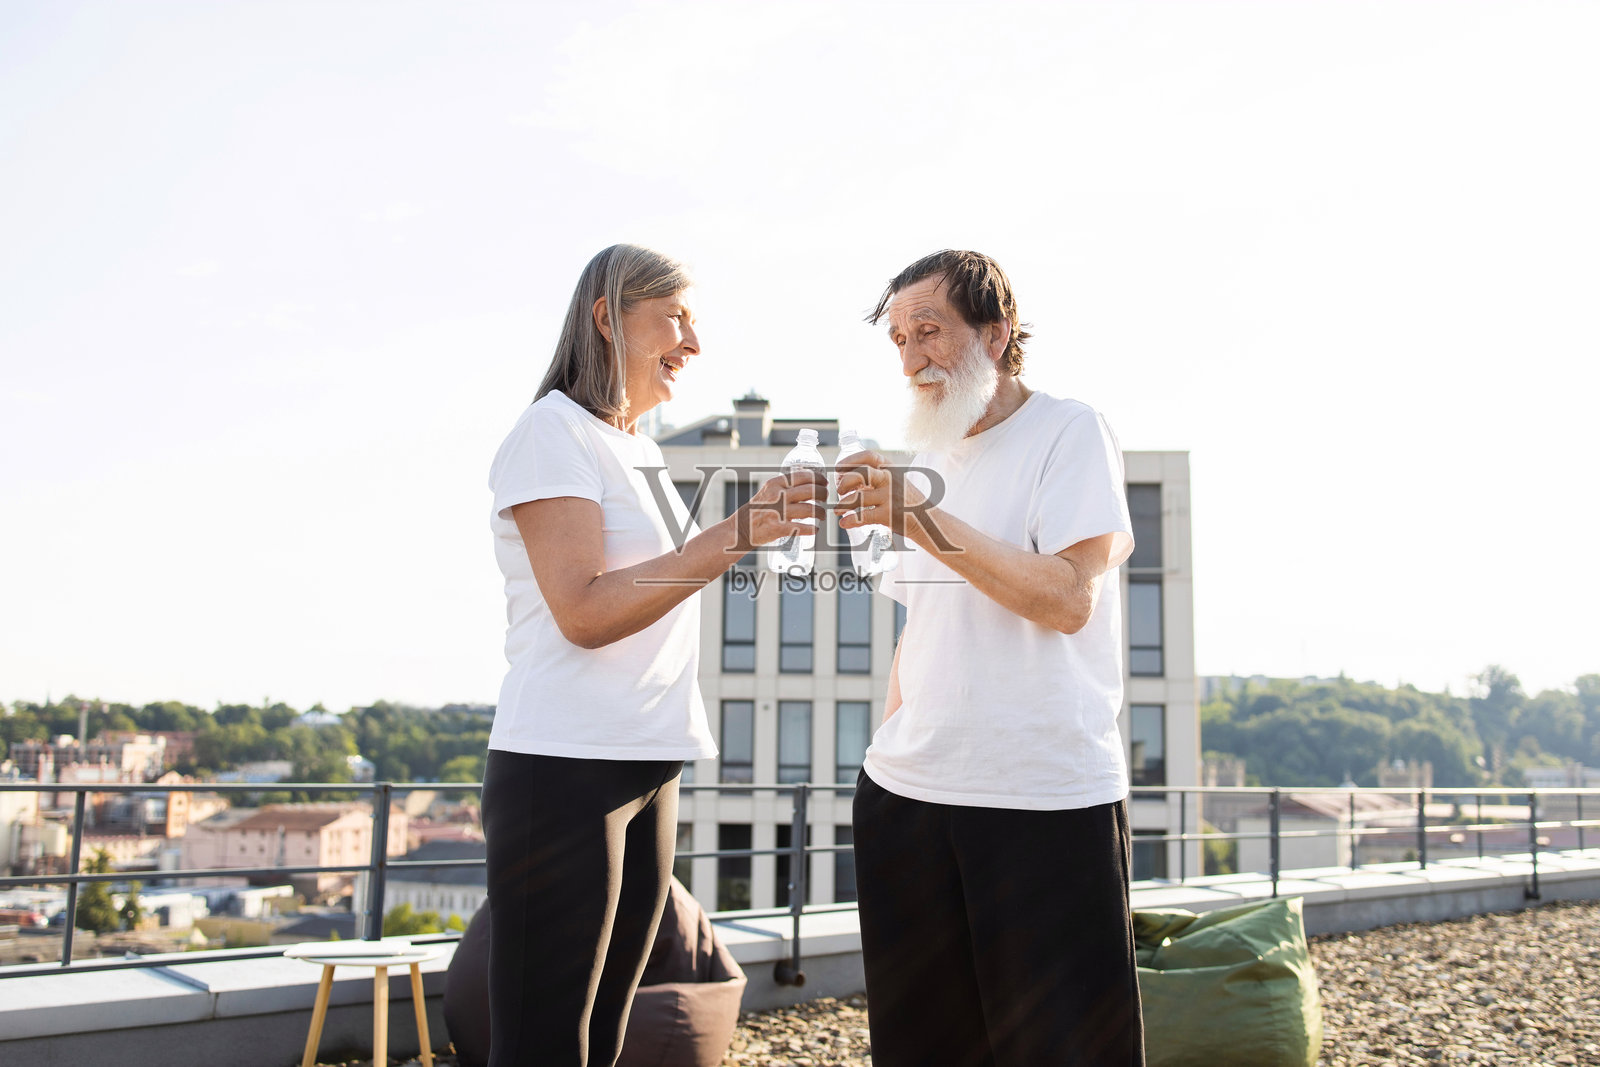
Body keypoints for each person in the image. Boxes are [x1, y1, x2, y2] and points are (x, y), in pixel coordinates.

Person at [483, 244, 823, 1067]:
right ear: (607, 317)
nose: (693, 345)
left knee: (604, 1031)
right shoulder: (550, 432)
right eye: (676, 319)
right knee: (544, 1040)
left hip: (649, 761)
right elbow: (587, 611)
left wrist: (754, 527)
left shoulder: (634, 447)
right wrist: (742, 530)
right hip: (563, 767)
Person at [834, 250, 1145, 1066]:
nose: (910, 358)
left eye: (928, 331)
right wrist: (889, 747)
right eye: (898, 339)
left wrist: (918, 518)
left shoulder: (1071, 430)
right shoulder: (928, 457)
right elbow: (927, 626)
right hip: (908, 796)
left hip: (1043, 799)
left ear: (998, 332)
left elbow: (1069, 597)